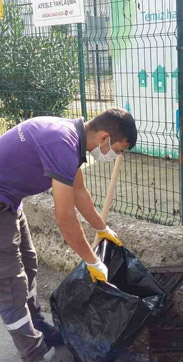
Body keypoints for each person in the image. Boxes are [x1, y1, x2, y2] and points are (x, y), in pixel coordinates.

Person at [0, 108, 137, 361]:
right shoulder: (62, 144)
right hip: (2, 204)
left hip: (10, 201)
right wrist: (92, 261)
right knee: (10, 284)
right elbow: (65, 218)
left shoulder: (71, 138)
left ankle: (38, 326)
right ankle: (34, 353)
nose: (114, 156)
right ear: (105, 138)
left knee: (29, 265)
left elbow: (80, 193)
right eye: (118, 150)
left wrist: (102, 229)